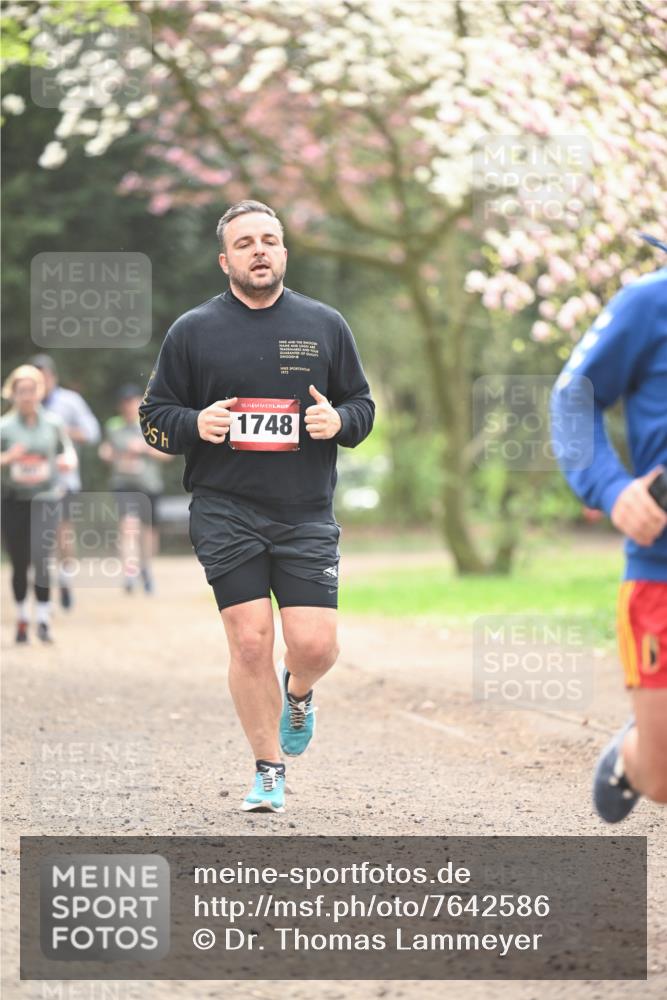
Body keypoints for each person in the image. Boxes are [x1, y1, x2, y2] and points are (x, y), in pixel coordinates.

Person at [139, 200, 374, 812]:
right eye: (245, 243)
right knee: (249, 643)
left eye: (270, 239)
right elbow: (154, 421)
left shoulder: (325, 324)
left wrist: (337, 420)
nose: (260, 250)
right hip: (225, 509)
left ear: (285, 253)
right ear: (226, 260)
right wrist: (196, 423)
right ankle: (268, 769)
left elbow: (363, 409)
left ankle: (299, 691)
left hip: (304, 511)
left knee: (316, 645)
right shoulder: (192, 331)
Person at [551, 249, 667, 823]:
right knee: (663, 777)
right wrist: (612, 488)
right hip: (661, 569)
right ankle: (636, 751)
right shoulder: (650, 302)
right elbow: (574, 396)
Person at [0, 364, 77, 643]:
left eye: (32, 390)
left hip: (45, 499)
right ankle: (22, 618)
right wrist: (8, 458)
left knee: (42, 559)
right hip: (13, 500)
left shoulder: (53, 423)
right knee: (20, 563)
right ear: (13, 393)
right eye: (22, 391)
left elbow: (66, 449)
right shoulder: (4, 427)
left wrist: (68, 459)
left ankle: (43, 619)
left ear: (39, 392)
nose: (27, 396)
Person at [29, 354, 101, 610]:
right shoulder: (26, 403)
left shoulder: (70, 402)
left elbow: (92, 432)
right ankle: (43, 587)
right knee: (39, 536)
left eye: (43, 377)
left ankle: (66, 580)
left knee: (62, 532)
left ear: (53, 377)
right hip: (33, 482)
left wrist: (61, 431)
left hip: (64, 480)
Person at [98, 384, 172, 594]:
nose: (129, 406)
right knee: (127, 526)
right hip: (123, 485)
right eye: (125, 402)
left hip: (149, 485)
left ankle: (146, 569)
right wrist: (107, 454)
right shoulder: (113, 426)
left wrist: (144, 450)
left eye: (133, 401)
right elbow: (106, 449)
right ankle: (130, 572)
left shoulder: (152, 424)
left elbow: (167, 455)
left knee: (148, 533)